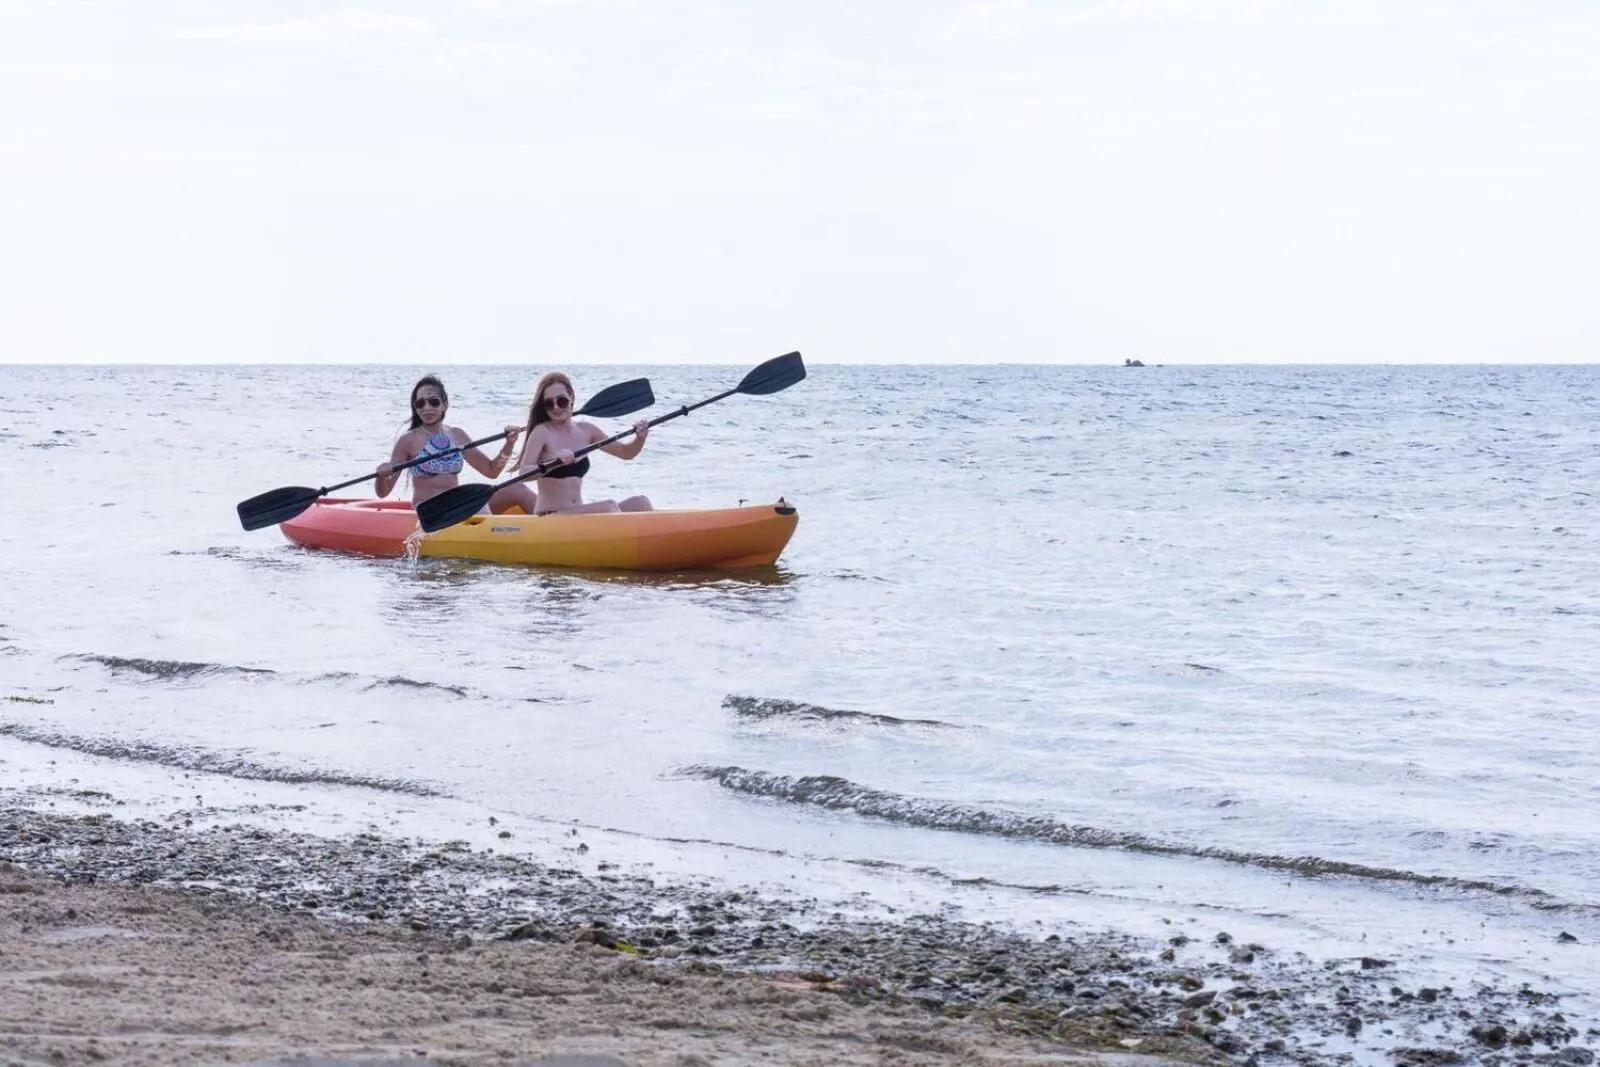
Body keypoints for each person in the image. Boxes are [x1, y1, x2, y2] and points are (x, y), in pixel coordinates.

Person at [375, 374, 540, 514]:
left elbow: (491, 471)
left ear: (445, 404)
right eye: (420, 403)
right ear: (415, 408)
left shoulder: (457, 435)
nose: (427, 408)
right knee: (474, 509)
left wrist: (509, 445)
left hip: (459, 506)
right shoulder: (408, 440)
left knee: (517, 488)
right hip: (431, 514)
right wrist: (381, 477)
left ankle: (555, 524)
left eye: (433, 402)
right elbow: (384, 492)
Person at [516, 371, 653, 515]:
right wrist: (553, 463)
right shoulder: (542, 432)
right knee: (609, 507)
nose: (556, 407)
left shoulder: (587, 430)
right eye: (549, 404)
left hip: (577, 514)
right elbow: (524, 474)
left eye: (561, 401)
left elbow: (626, 452)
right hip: (550, 515)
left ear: (571, 398)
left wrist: (640, 437)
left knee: (641, 502)